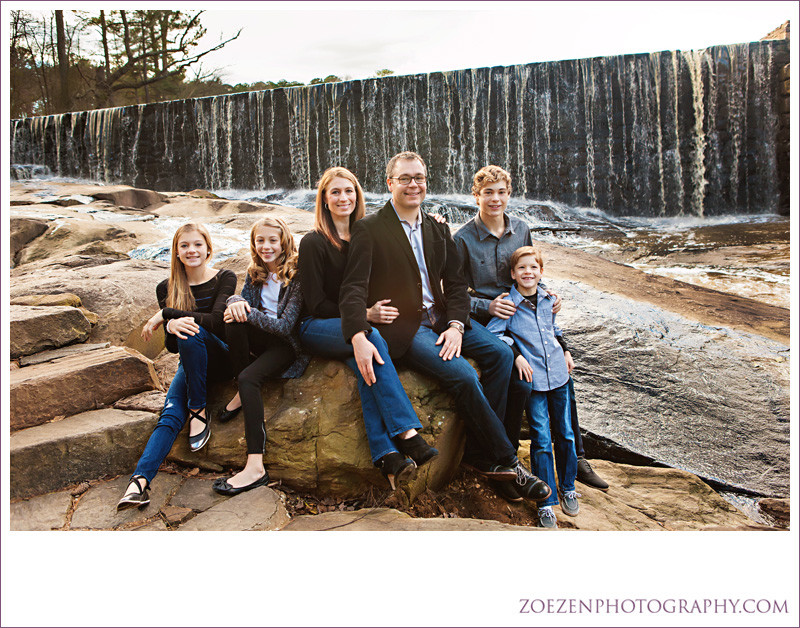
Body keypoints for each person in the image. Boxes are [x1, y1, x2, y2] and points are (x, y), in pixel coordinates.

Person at [339, 151, 550, 502]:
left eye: (419, 177)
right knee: (465, 377)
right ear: (389, 184)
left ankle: (482, 454)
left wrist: (455, 325)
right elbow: (353, 287)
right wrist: (358, 331)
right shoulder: (370, 229)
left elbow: (454, 284)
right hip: (407, 327)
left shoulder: (437, 227)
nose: (413, 184)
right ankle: (507, 460)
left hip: (442, 318)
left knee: (499, 355)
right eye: (404, 178)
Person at [454, 165, 608, 497]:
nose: (495, 199)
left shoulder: (521, 229)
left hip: (524, 311)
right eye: (488, 192)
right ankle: (505, 463)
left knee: (559, 360)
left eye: (501, 192)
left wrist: (549, 295)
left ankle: (577, 456)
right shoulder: (462, 239)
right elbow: (452, 294)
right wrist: (487, 307)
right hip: (488, 321)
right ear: (476, 195)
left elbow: (530, 270)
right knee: (517, 377)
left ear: (508, 195)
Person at [297, 167, 439, 489]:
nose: (343, 197)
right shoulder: (313, 243)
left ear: (358, 195)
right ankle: (408, 433)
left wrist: (435, 221)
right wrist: (364, 315)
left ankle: (387, 456)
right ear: (324, 199)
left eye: (349, 191)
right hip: (315, 327)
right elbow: (316, 303)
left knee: (366, 361)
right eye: (335, 192)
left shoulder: (366, 233)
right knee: (371, 337)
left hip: (348, 329)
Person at [117, 223, 236, 510]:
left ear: (208, 248)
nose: (191, 250)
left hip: (221, 358)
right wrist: (171, 323)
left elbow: (218, 323)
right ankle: (139, 483)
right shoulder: (167, 287)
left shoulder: (225, 277)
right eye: (185, 246)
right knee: (169, 415)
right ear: (176, 251)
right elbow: (172, 346)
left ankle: (198, 409)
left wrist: (167, 315)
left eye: (197, 244)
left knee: (192, 328)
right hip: (190, 363)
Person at [212, 217, 310, 496]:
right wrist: (235, 303)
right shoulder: (255, 272)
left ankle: (256, 466)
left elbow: (284, 326)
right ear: (254, 244)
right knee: (232, 318)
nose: (266, 246)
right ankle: (244, 389)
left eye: (272, 240)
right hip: (260, 340)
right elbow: (238, 300)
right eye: (260, 241)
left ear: (284, 242)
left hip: (286, 347)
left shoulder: (296, 274)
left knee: (248, 375)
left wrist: (246, 310)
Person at [488, 246, 580, 528]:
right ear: (513, 274)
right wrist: (516, 355)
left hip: (560, 375)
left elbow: (554, 330)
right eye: (522, 268)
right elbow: (495, 334)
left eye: (533, 268)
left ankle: (568, 486)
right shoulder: (508, 304)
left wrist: (565, 350)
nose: (528, 273)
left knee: (565, 433)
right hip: (536, 382)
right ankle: (547, 501)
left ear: (541, 272)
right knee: (541, 438)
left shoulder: (548, 299)